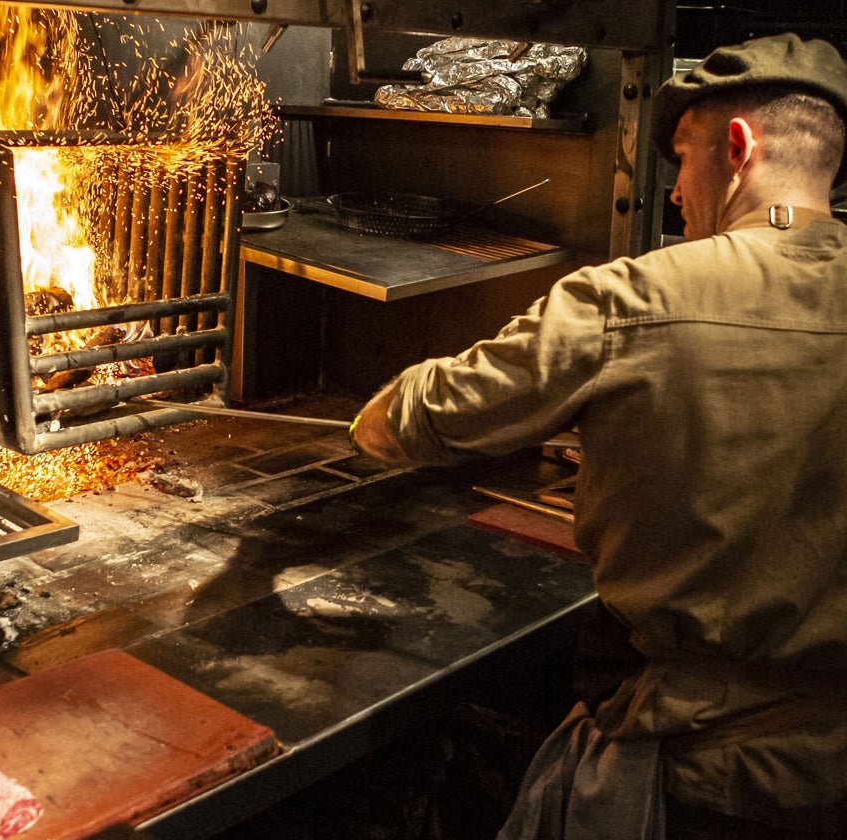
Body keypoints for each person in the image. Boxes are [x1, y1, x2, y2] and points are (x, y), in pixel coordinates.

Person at [349, 33, 847, 839]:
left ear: (737, 146)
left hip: (706, 775)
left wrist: (368, 418)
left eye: (681, 159)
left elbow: (432, 416)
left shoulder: (636, 298)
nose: (677, 193)